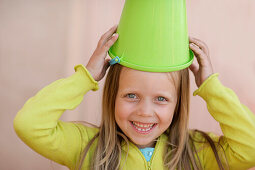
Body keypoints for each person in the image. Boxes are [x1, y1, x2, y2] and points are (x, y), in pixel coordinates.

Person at [13, 25, 255, 170]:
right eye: (131, 95)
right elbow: (29, 124)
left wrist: (210, 86)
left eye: (161, 99)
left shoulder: (196, 153)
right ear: (112, 96)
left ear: (178, 104)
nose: (144, 111)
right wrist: (85, 78)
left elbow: (250, 147)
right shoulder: (88, 148)